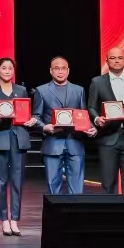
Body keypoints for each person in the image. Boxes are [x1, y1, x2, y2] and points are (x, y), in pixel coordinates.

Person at [0, 57, 37, 236]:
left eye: (10, 68)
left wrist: (30, 120)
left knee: (17, 180)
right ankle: (4, 219)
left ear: (14, 71)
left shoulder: (21, 90)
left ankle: (14, 219)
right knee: (0, 181)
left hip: (18, 138)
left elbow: (26, 112)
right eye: (4, 68)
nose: (7, 71)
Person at [87, 46, 124, 194]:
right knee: (108, 182)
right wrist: (96, 119)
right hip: (107, 139)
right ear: (107, 61)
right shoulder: (97, 82)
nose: (116, 61)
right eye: (113, 58)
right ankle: (110, 210)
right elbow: (91, 106)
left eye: (120, 58)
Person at [33, 56, 95, 195]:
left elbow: (83, 115)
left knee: (77, 188)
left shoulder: (79, 90)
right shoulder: (41, 90)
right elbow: (36, 117)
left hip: (75, 142)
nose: (60, 71)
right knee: (53, 188)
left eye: (63, 68)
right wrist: (44, 127)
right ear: (51, 71)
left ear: (68, 71)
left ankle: (75, 210)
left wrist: (92, 128)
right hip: (53, 143)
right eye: (56, 68)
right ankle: (56, 210)